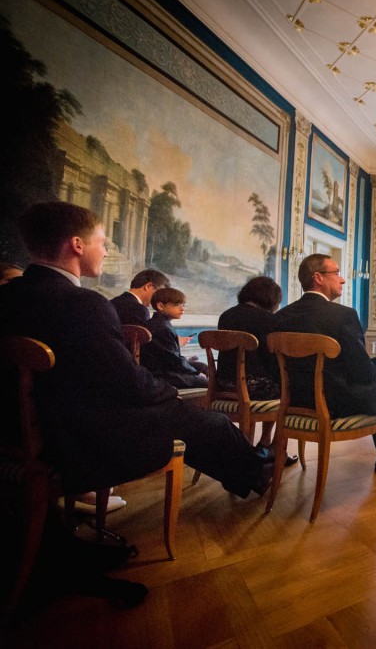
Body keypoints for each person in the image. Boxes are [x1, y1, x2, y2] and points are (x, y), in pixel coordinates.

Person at [0, 202, 272, 500]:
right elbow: (125, 382)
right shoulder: (84, 303)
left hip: (18, 430)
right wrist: (168, 392)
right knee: (203, 420)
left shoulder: (9, 296)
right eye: (102, 242)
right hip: (75, 440)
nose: (105, 251)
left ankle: (255, 465)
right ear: (77, 245)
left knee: (195, 419)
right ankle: (258, 470)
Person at [271, 253, 376, 470]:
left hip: (297, 402)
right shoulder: (343, 315)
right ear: (318, 278)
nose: (342, 279)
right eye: (336, 273)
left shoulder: (280, 317)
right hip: (340, 404)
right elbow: (363, 375)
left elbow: (275, 370)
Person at [218, 276, 296, 463]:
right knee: (288, 389)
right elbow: (273, 360)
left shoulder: (226, 315)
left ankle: (263, 442)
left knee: (274, 383)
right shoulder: (268, 320)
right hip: (252, 388)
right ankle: (276, 449)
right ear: (270, 298)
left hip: (223, 385)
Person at [140, 287, 209, 389]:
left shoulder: (159, 323)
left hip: (164, 368)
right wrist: (197, 374)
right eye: (176, 305)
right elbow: (174, 361)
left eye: (183, 305)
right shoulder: (162, 327)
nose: (182, 309)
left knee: (202, 366)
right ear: (160, 306)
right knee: (205, 381)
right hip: (161, 374)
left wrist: (195, 370)